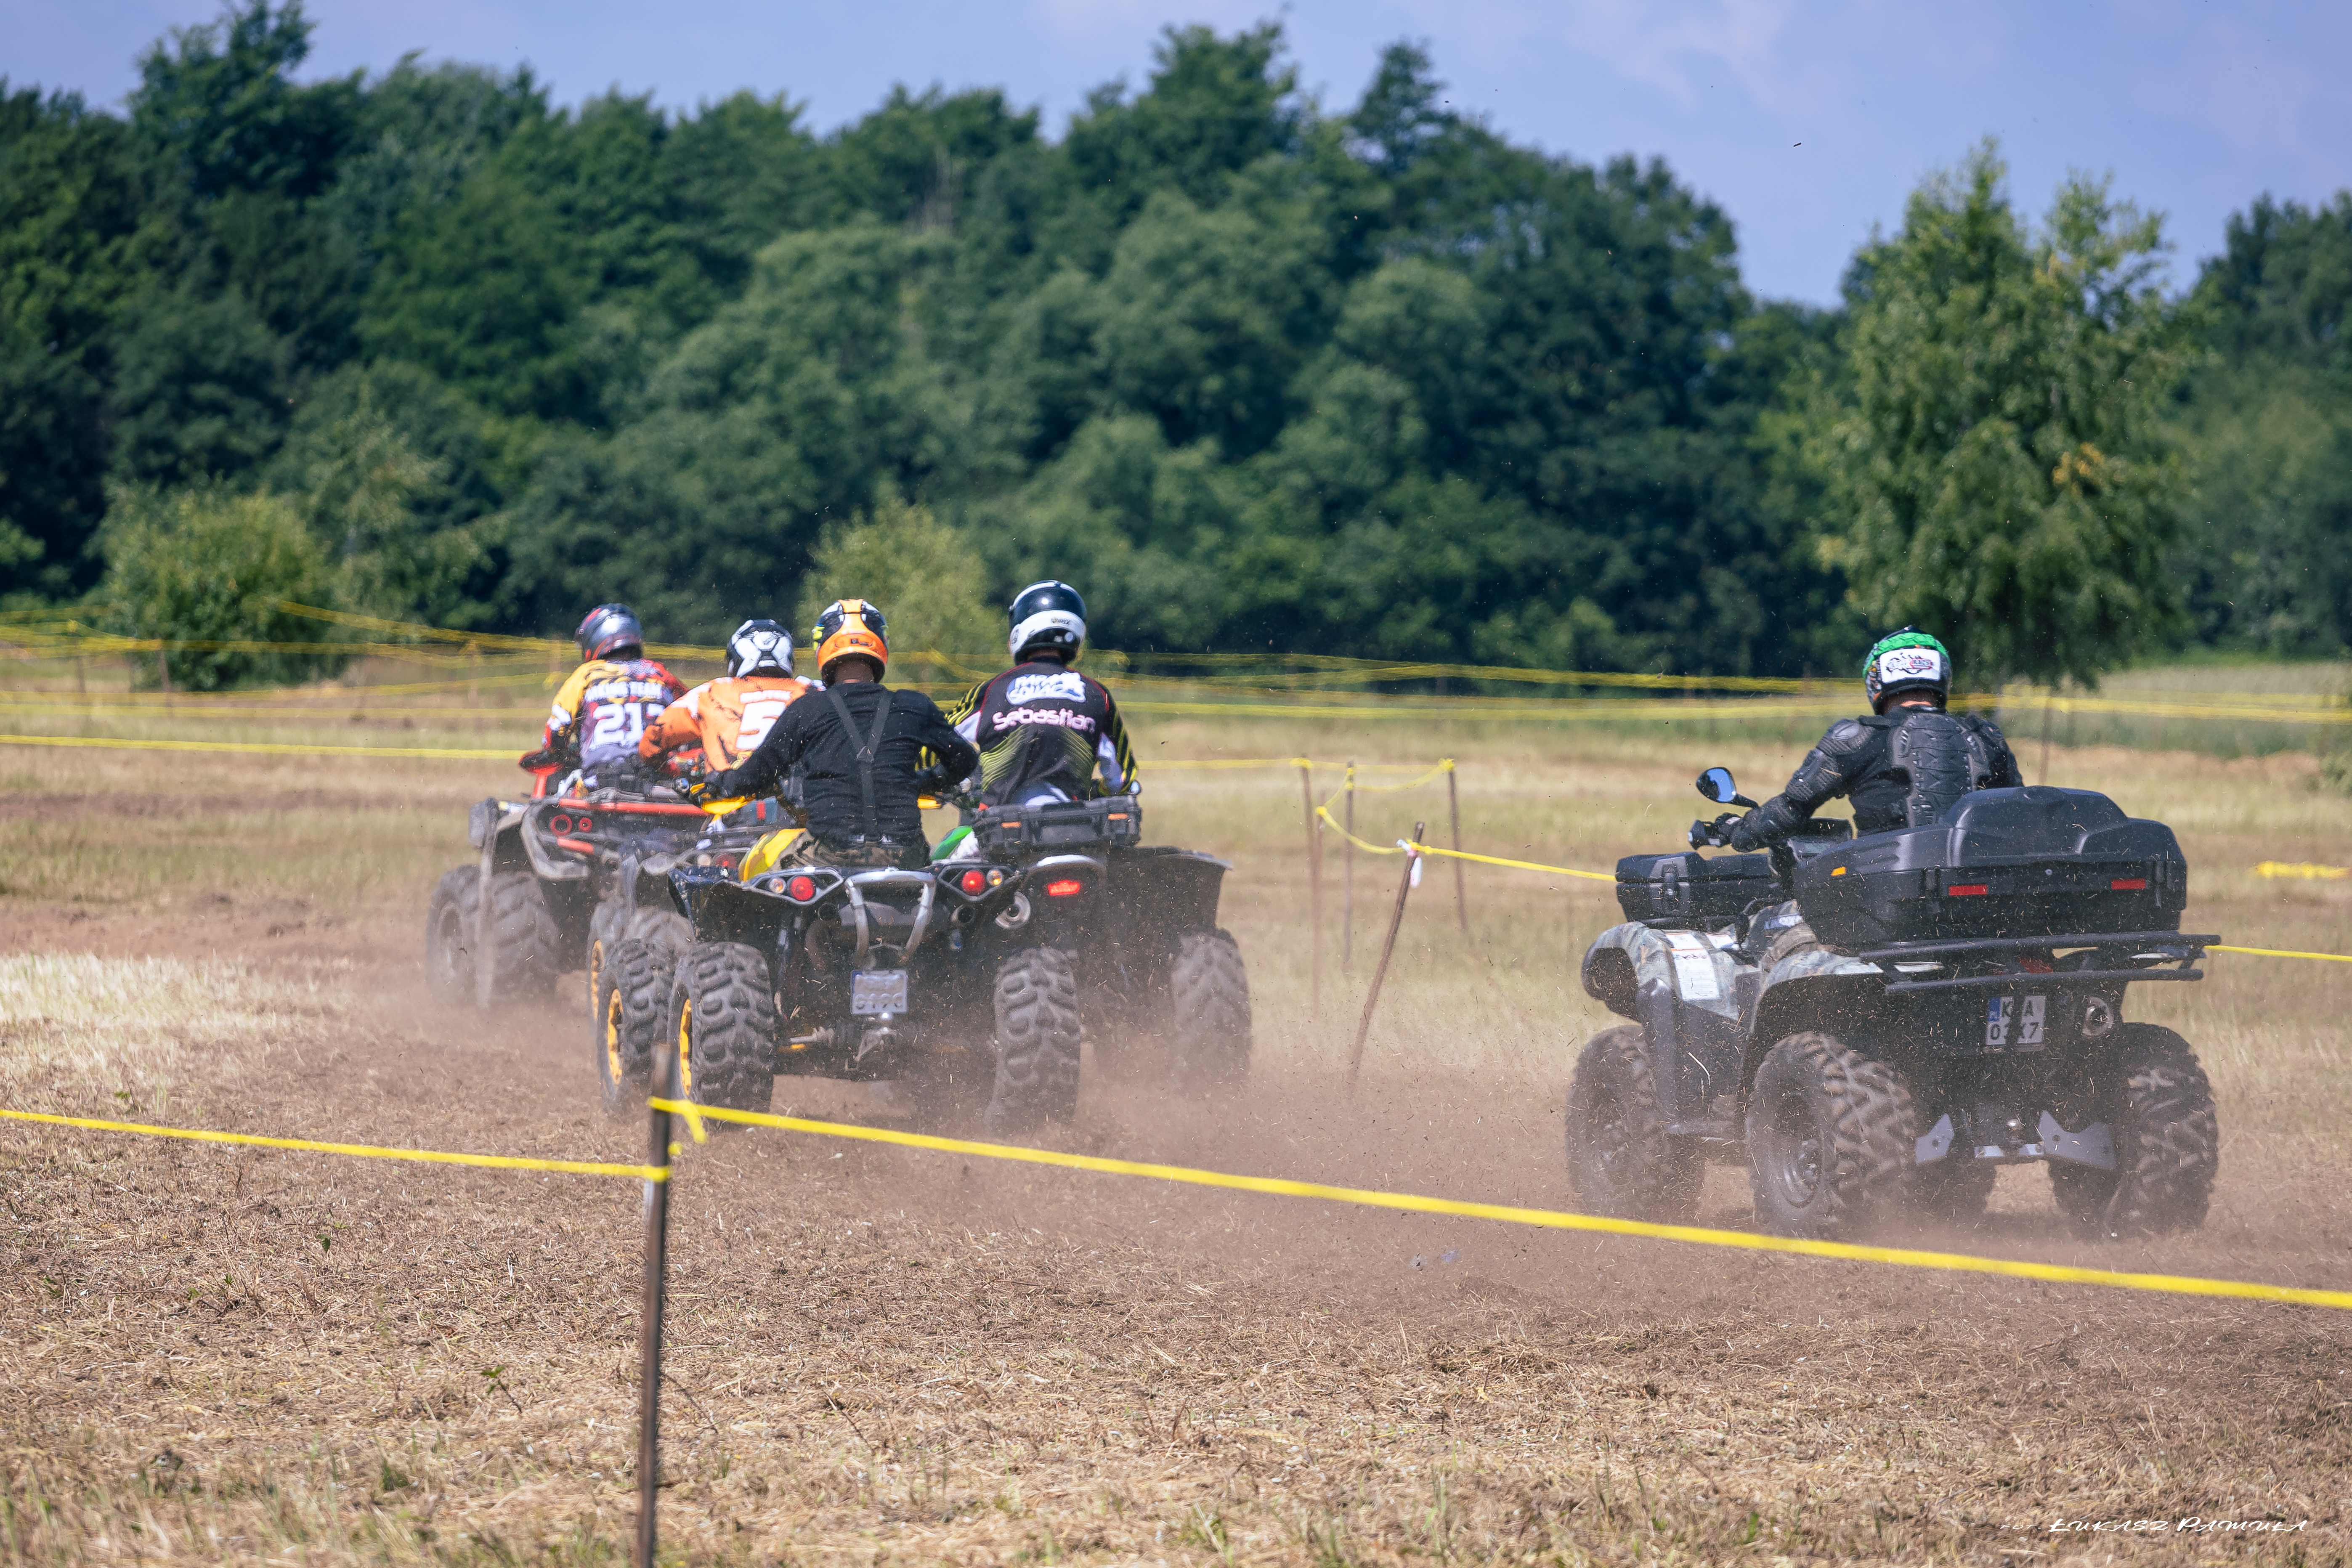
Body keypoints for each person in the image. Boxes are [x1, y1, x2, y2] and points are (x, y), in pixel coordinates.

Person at [698, 599, 979, 870]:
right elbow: (964, 760)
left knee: (760, 871)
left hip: (832, 857)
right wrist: (923, 781)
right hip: (907, 856)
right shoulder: (915, 706)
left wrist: (717, 782)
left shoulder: (807, 709)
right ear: (881, 644)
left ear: (823, 648)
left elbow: (754, 775)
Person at [1728, 628, 2021, 852]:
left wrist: (1737, 832)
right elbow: (2020, 818)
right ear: (1941, 675)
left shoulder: (1857, 739)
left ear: (1876, 680)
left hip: (1883, 896)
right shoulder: (1988, 739)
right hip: (1981, 893)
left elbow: (1790, 812)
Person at [942, 580, 1137, 808]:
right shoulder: (1097, 694)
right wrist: (1100, 792)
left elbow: (938, 740)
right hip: (1074, 828)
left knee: (952, 845)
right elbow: (1123, 779)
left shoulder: (991, 691)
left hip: (996, 827)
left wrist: (927, 779)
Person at [637, 618, 818, 775]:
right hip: (801, 803)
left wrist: (672, 771)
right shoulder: (814, 690)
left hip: (730, 802)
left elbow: (650, 745)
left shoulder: (711, 692)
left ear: (736, 660)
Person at [541, 603, 685, 783]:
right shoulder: (660, 674)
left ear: (595, 639)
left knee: (553, 780)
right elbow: (692, 718)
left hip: (600, 780)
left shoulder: (587, 674)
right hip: (659, 781)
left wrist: (561, 753)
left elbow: (556, 732)